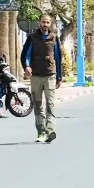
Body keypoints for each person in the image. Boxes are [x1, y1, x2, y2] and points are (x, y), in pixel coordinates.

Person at [21, 14, 63, 143]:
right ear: (39, 23)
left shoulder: (54, 38)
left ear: (50, 24)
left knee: (50, 104)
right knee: (38, 105)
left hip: (50, 75)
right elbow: (25, 55)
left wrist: (59, 76)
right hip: (36, 76)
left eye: (47, 22)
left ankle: (50, 130)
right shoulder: (32, 38)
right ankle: (41, 132)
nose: (45, 25)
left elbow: (58, 57)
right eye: (43, 22)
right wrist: (26, 66)